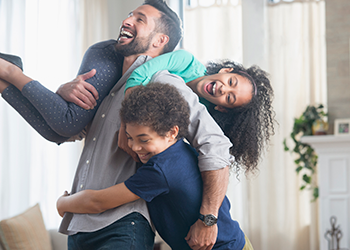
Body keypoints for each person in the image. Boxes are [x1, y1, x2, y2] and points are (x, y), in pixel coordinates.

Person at [0, 0, 275, 248]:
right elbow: (71, 129)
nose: (128, 20)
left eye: (140, 19)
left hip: (122, 224)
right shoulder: (112, 84)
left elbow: (216, 145)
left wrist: (208, 219)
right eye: (131, 14)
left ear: (160, 41)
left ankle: (10, 71)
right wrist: (62, 93)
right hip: (80, 226)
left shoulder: (165, 84)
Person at [57, 82, 253, 250]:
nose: (134, 147)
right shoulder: (180, 151)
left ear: (172, 132)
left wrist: (63, 204)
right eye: (129, 138)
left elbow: (98, 202)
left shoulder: (161, 170)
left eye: (143, 139)